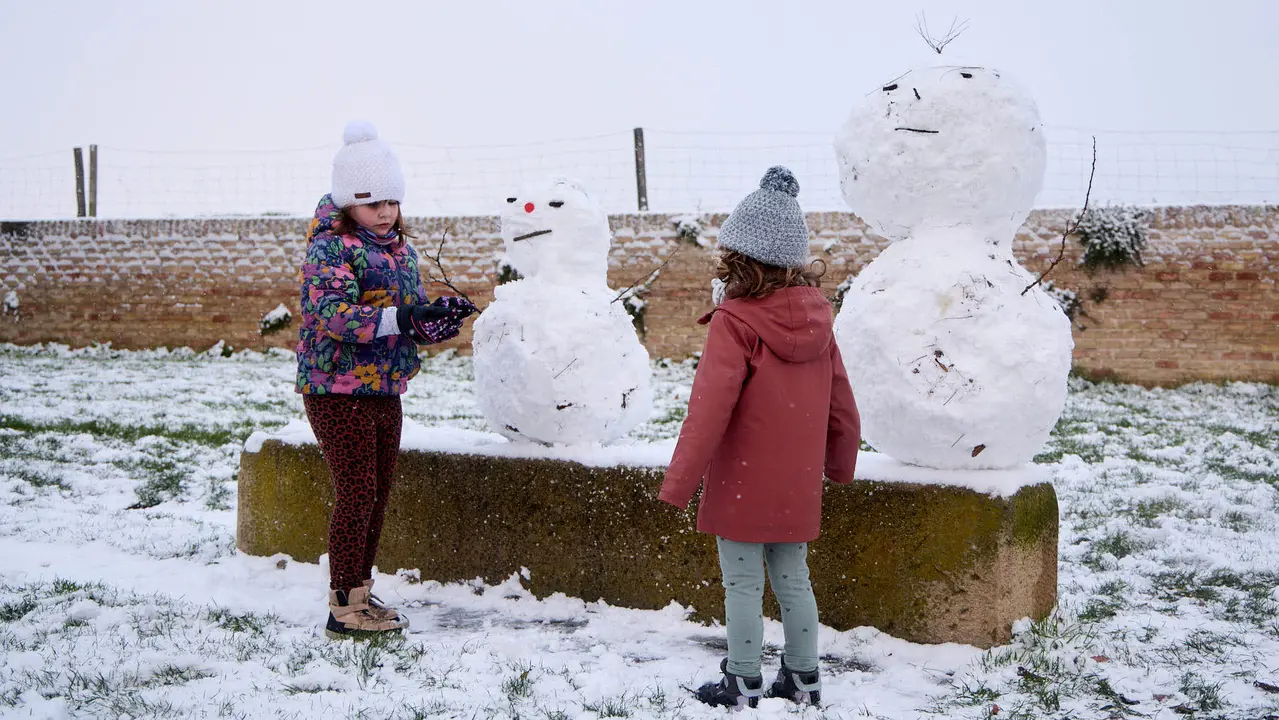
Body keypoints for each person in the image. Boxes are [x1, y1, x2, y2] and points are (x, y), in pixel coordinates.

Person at [658, 166, 861, 708]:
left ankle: (743, 678)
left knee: (742, 582)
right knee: (794, 576)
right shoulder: (821, 322)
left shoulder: (735, 322)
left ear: (742, 261)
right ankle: (803, 676)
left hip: (743, 480)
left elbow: (707, 412)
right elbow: (842, 402)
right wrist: (840, 464)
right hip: (796, 481)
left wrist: (679, 483)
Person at [296, 121, 477, 639]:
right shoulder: (331, 248)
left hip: (384, 387)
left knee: (376, 491)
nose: (385, 212)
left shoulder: (400, 249)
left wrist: (431, 318)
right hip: (335, 388)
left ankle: (359, 591)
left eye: (392, 202)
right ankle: (343, 609)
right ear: (349, 202)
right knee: (355, 491)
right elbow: (335, 316)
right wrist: (406, 319)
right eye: (373, 202)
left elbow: (401, 316)